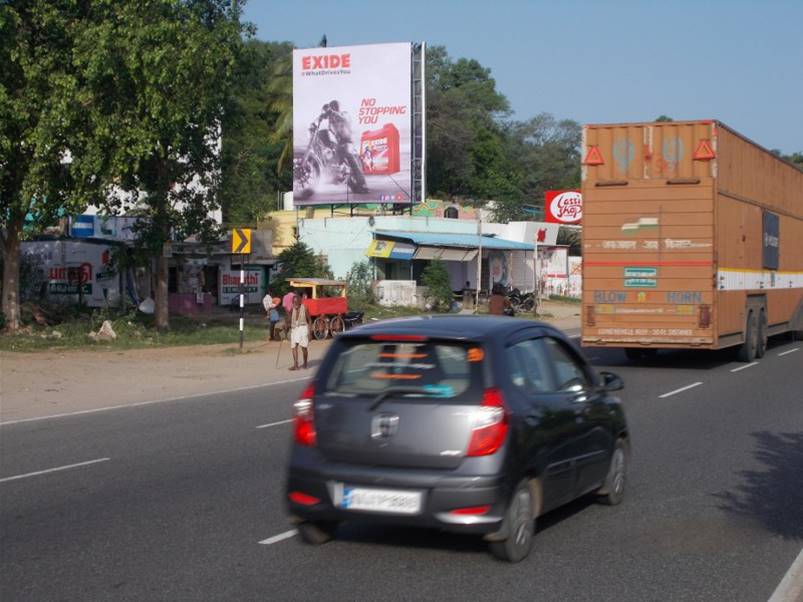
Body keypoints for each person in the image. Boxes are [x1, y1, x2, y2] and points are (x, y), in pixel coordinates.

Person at [289, 294, 312, 370]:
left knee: (304, 347)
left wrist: (310, 333)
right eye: (293, 302)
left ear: (300, 302)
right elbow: (289, 318)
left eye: (296, 302)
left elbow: (309, 320)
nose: (295, 303)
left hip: (303, 328)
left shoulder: (305, 308)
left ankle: (305, 363)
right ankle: (296, 365)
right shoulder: (292, 309)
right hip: (294, 328)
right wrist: (285, 324)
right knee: (293, 346)